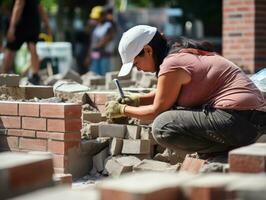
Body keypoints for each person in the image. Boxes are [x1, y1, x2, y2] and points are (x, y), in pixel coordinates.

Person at [105, 25, 266, 159]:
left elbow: (156, 111)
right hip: (251, 118)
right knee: (175, 112)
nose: (138, 69)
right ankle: (227, 151)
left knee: (163, 126)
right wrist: (138, 100)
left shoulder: (172, 64)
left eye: (136, 63)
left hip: (238, 119)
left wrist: (123, 110)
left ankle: (223, 152)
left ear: (148, 50)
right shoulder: (180, 55)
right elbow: (167, 94)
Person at [1, 0, 51, 85]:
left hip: (22, 22)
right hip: (35, 22)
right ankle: (35, 76)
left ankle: (3, 76)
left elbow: (19, 4)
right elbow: (40, 7)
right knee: (32, 47)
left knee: (10, 48)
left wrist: (12, 27)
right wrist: (47, 24)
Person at [89, 6, 116, 76]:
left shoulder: (108, 26)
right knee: (95, 74)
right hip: (96, 55)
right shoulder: (97, 27)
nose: (96, 19)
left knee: (104, 75)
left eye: (97, 18)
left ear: (103, 16)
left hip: (104, 55)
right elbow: (93, 42)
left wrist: (95, 47)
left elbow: (106, 39)